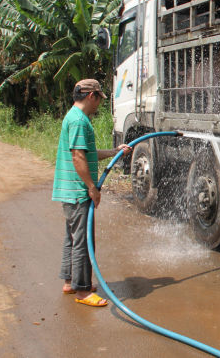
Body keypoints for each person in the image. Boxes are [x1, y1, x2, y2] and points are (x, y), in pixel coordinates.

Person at [52, 79, 132, 307]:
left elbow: (89, 153)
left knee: (72, 238)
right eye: (99, 99)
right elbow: (78, 156)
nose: (99, 105)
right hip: (78, 190)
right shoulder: (79, 121)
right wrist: (91, 187)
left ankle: (70, 282)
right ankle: (83, 291)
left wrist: (115, 151)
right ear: (91, 96)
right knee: (83, 241)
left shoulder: (74, 118)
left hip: (69, 189)